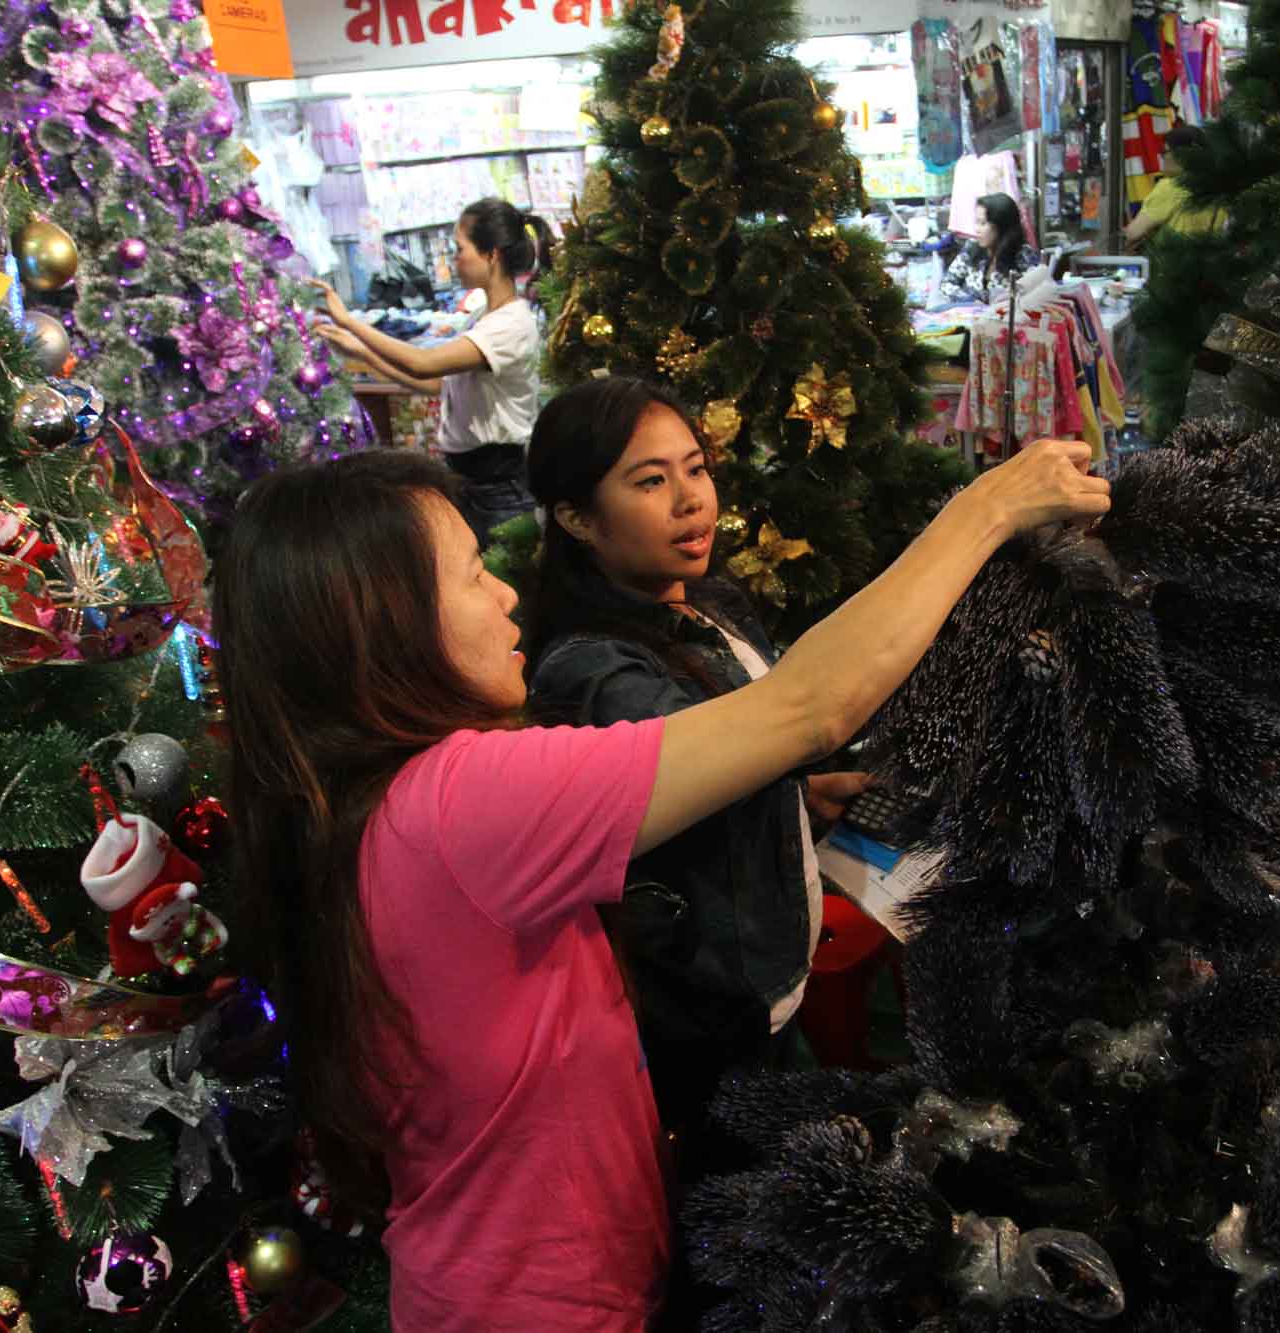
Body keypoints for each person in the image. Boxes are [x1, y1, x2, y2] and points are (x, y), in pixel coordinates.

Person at [214, 440, 1109, 1332]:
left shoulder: (357, 808)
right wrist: (987, 507)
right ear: (383, 625)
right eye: (469, 574)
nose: (505, 593)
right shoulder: (459, 801)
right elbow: (807, 709)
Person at [523, 377, 868, 1141]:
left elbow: (743, 767)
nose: (691, 501)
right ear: (577, 517)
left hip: (778, 986)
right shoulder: (592, 670)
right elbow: (713, 763)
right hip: (711, 1030)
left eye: (696, 468)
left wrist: (800, 798)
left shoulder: (712, 604)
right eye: (650, 481)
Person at [310, 197, 543, 541]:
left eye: (460, 249)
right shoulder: (485, 319)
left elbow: (422, 364)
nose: (454, 259)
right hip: (477, 480)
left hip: (500, 483)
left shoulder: (511, 325)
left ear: (491, 255)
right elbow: (437, 383)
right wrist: (362, 352)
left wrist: (349, 322)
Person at [1121, 125, 1225, 248]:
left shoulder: (1171, 187)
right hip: (1208, 264)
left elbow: (1132, 233)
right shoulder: (1218, 189)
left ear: (1181, 155)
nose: (1161, 156)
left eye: (1164, 152)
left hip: (1170, 264)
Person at [940, 192, 1042, 304]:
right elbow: (947, 283)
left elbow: (1038, 293)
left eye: (982, 223)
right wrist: (971, 302)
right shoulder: (971, 248)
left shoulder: (1024, 255)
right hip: (970, 317)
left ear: (1001, 225)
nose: (976, 229)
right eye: (976, 222)